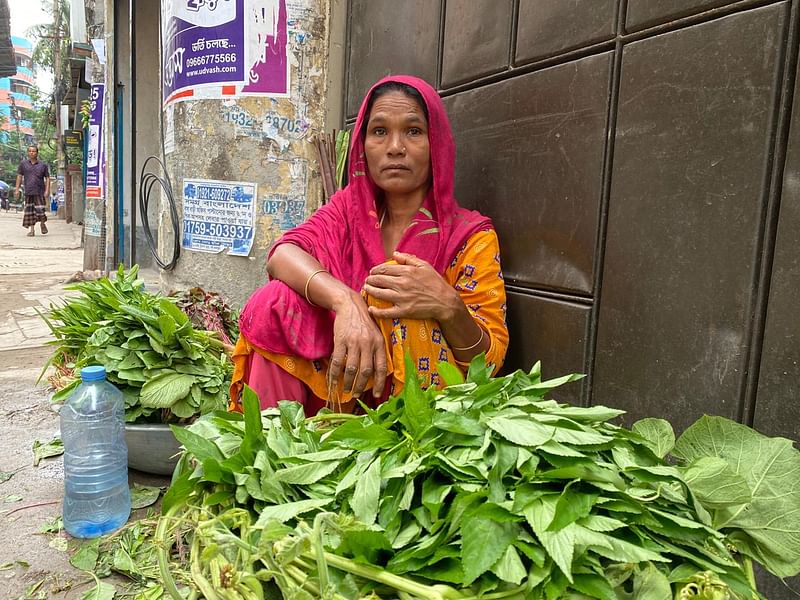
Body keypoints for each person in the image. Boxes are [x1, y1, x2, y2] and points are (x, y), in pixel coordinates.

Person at [230, 75, 509, 414]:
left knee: (399, 297)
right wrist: (346, 301)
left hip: (423, 419)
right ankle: (272, 451)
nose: (395, 147)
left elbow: (490, 362)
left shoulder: (469, 237)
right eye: (379, 131)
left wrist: (448, 306)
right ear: (363, 145)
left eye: (413, 131)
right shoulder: (349, 211)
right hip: (341, 397)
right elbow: (283, 254)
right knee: (277, 300)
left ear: (437, 143)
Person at [15, 145, 50, 236]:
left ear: (37, 153)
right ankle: (32, 230)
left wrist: (47, 190)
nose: (31, 153)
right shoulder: (23, 164)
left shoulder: (43, 165)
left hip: (39, 191)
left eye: (33, 151)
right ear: (28, 152)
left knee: (40, 210)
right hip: (28, 191)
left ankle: (42, 224)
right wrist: (17, 189)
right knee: (30, 211)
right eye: (30, 151)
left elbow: (47, 178)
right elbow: (19, 176)